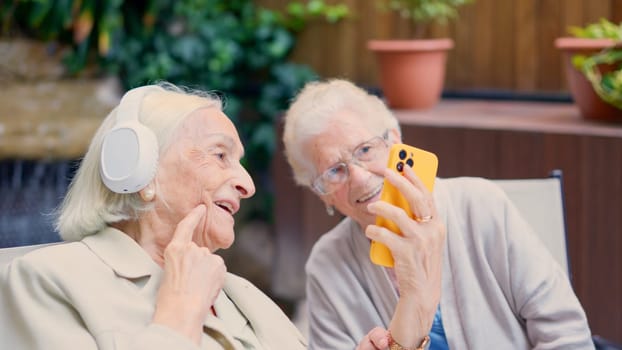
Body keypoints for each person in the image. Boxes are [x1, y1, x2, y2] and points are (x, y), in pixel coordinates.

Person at [281, 79, 595, 349]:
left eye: (365, 150)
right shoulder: (327, 265)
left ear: (395, 141)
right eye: (335, 171)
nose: (360, 177)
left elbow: (565, 332)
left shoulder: (480, 204)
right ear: (321, 193)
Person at [0, 83, 308, 350]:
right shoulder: (46, 280)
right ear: (140, 170)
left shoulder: (244, 295)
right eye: (219, 155)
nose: (248, 185)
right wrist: (180, 311)